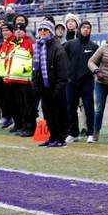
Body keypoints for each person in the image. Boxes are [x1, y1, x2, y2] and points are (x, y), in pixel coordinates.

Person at [32, 20, 70, 148]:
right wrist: (36, 85)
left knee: (58, 114)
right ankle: (52, 137)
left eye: (45, 30)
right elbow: (36, 69)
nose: (42, 32)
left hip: (55, 88)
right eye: (40, 29)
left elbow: (63, 71)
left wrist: (59, 89)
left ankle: (60, 139)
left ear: (50, 32)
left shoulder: (57, 48)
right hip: (44, 87)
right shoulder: (39, 46)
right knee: (48, 114)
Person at [63, 21, 98, 143]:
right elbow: (63, 60)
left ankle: (90, 133)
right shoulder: (69, 44)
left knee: (88, 108)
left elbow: (97, 64)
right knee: (71, 108)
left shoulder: (94, 47)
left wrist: (89, 73)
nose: (86, 30)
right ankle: (74, 133)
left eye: (88, 28)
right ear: (80, 29)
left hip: (86, 82)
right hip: (71, 82)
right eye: (84, 27)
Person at [3, 23, 38, 137]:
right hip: (16, 79)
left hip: (26, 79)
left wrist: (24, 69)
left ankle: (31, 127)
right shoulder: (15, 44)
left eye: (20, 29)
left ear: (24, 31)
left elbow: (34, 59)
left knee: (29, 106)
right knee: (21, 105)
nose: (18, 31)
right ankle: (24, 126)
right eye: (16, 29)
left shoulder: (29, 42)